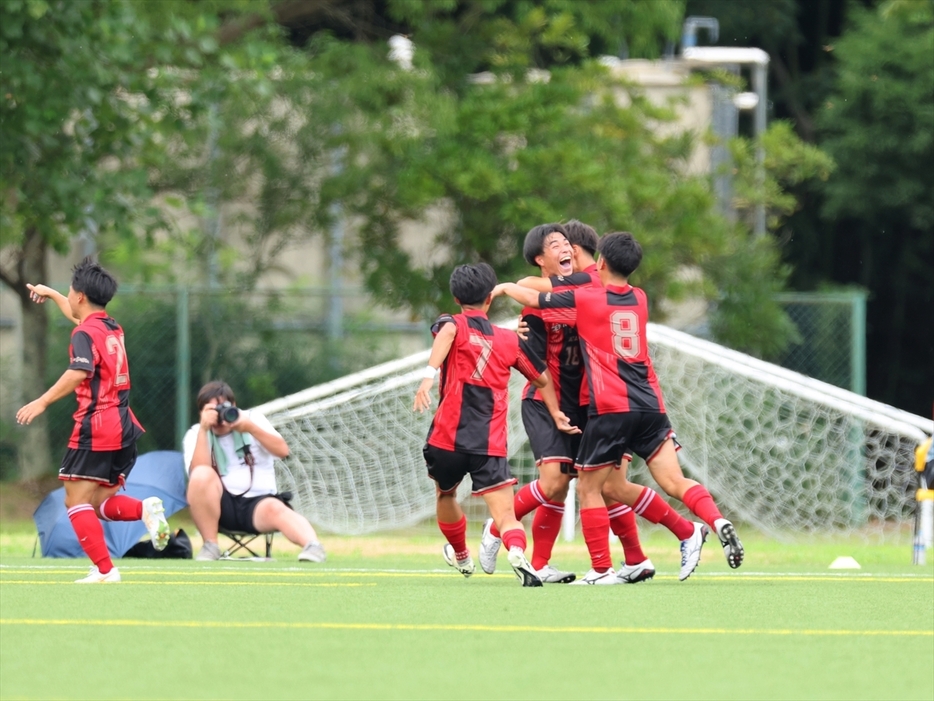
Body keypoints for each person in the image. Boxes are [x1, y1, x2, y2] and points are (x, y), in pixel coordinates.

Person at [493, 232, 744, 584]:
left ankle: (599, 570)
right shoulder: (639, 298)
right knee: (669, 480)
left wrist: (503, 288)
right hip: (652, 405)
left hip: (611, 408)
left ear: (599, 262)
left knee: (589, 489)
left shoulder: (587, 299)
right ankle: (714, 523)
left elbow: (536, 295)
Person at [479, 223, 654, 584]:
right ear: (540, 259)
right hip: (546, 400)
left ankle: (543, 565)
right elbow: (535, 364)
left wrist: (515, 288)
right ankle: (498, 527)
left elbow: (549, 289)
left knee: (595, 484)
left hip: (589, 403)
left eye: (567, 244)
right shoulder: (539, 301)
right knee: (556, 482)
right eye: (555, 245)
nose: (566, 251)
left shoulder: (590, 284)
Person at [413, 262, 578, 587]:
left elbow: (447, 331)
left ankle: (461, 555)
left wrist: (428, 376)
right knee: (504, 515)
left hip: (447, 438)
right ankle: (517, 551)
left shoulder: (453, 324)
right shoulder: (509, 341)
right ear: (490, 298)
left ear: (456, 297)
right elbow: (542, 379)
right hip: (488, 443)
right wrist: (556, 412)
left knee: (446, 496)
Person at [16, 258, 169, 583]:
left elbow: (80, 370)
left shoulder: (84, 334)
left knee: (74, 499)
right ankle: (143, 511)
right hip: (124, 425)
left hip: (97, 427)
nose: (69, 294)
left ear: (81, 295)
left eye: (71, 290)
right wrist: (54, 294)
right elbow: (77, 317)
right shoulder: (111, 326)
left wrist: (42, 401)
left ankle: (105, 570)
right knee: (99, 502)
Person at [183, 380, 326, 562]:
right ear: (202, 412)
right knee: (202, 474)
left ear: (234, 406)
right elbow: (197, 474)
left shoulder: (253, 420)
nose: (219, 416)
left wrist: (250, 428)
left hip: (258, 505)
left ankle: (313, 546)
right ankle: (210, 546)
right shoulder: (196, 433)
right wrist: (204, 429)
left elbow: (282, 451)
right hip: (219, 508)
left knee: (277, 508)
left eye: (223, 408)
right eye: (212, 410)